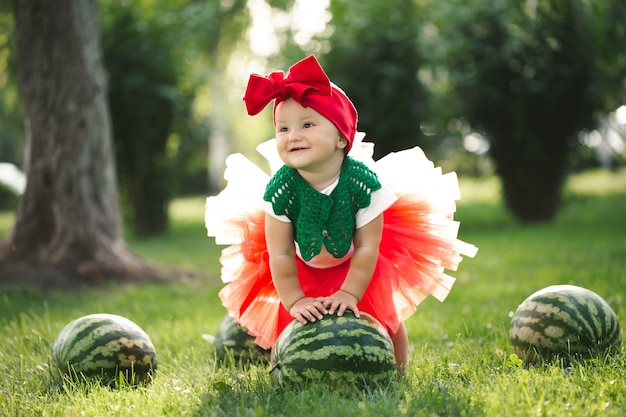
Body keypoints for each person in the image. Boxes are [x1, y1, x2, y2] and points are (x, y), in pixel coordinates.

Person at [205, 55, 477, 370]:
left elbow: (367, 246)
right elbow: (278, 252)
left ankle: (397, 369)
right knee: (290, 320)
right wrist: (295, 300)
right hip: (300, 266)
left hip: (358, 261)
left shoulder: (361, 183)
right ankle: (286, 368)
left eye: (307, 124)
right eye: (283, 128)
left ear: (340, 137)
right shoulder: (281, 189)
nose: (293, 135)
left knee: (386, 319)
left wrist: (349, 292)